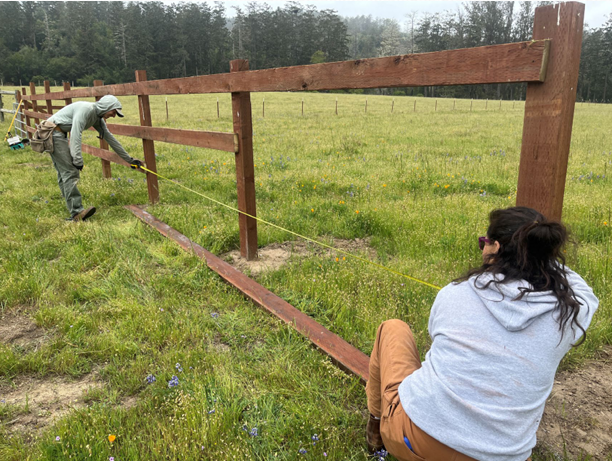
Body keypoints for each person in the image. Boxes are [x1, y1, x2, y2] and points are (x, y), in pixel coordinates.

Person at [365, 206, 599, 461]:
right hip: (504, 456)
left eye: (484, 242)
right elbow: (585, 292)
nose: (482, 248)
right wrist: (540, 258)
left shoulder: (454, 294)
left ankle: (377, 429)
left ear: (496, 248)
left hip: (416, 442)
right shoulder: (570, 312)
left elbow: (435, 337)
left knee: (392, 328)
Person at [47, 95, 143, 221]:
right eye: (113, 112)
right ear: (106, 107)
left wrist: (129, 160)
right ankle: (76, 212)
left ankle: (72, 209)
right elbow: (76, 134)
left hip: (59, 134)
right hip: (53, 133)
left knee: (64, 172)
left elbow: (111, 139)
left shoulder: (97, 118)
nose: (114, 115)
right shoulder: (86, 110)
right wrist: (77, 160)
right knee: (70, 171)